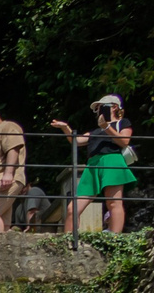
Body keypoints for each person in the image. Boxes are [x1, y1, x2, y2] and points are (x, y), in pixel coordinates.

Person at [52, 95, 134, 234]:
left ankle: (114, 238)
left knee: (114, 203)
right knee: (73, 207)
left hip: (112, 161)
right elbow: (76, 141)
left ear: (114, 107)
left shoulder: (123, 123)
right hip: (93, 164)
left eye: (101, 107)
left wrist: (107, 127)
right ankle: (69, 239)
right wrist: (65, 128)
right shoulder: (95, 131)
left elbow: (124, 141)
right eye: (97, 109)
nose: (98, 111)